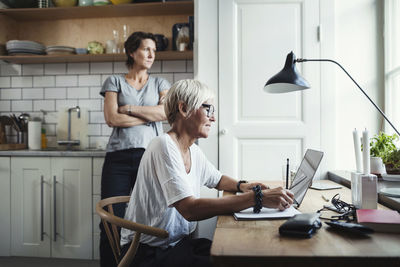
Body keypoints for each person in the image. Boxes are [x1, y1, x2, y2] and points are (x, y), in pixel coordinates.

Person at [120, 79, 294, 267]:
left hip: (177, 245)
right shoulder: (163, 146)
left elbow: (217, 179)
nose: (213, 118)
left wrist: (241, 185)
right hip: (147, 252)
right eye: (208, 109)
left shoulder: (193, 150)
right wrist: (257, 198)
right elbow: (189, 209)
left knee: (236, 254)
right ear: (184, 108)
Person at [99, 31, 170, 267]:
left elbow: (165, 113)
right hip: (117, 158)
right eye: (146, 49)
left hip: (150, 157)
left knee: (150, 216)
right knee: (112, 217)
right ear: (132, 52)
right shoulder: (114, 81)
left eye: (154, 50)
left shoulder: (161, 83)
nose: (151, 54)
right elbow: (112, 118)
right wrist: (149, 116)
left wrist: (127, 108)